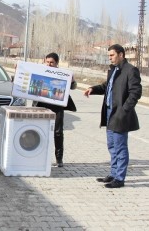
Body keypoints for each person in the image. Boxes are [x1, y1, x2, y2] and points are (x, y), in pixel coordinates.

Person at [84, 44, 142, 188]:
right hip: (109, 113)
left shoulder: (130, 70)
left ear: (121, 54)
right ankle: (113, 173)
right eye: (109, 55)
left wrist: (124, 110)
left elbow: (136, 92)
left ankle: (119, 178)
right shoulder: (113, 70)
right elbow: (106, 87)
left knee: (120, 147)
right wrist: (92, 89)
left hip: (120, 114)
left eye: (112, 55)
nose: (109, 58)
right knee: (112, 145)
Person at [34, 53, 77, 167]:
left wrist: (72, 80)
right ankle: (38, 156)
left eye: (51, 62)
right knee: (40, 130)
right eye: (47, 62)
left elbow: (73, 86)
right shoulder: (39, 71)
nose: (49, 64)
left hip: (57, 107)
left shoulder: (62, 74)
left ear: (57, 63)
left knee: (58, 133)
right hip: (41, 105)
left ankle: (59, 159)